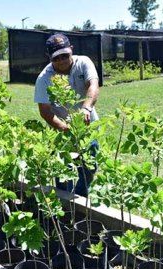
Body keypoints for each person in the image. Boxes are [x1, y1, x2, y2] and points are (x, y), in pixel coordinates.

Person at [33, 33, 100, 196]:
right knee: (63, 173)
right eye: (56, 58)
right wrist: (65, 129)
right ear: (49, 57)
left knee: (90, 167)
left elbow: (93, 85)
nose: (62, 60)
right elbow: (45, 111)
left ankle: (81, 198)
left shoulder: (83, 62)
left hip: (87, 126)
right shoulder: (44, 78)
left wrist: (86, 108)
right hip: (62, 132)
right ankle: (64, 206)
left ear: (71, 49)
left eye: (65, 55)